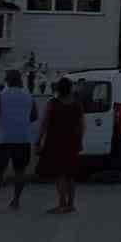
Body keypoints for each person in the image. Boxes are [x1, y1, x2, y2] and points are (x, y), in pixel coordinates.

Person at [0, 70, 37, 211]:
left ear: (7, 80)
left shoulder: (2, 95)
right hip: (23, 138)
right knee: (20, 171)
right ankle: (16, 202)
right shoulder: (28, 95)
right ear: (20, 80)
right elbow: (34, 115)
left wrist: (3, 125)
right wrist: (22, 124)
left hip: (4, 138)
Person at [36, 77, 86, 214]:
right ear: (70, 89)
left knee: (60, 174)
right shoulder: (77, 104)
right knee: (70, 174)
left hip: (56, 142)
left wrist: (38, 141)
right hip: (72, 142)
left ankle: (62, 204)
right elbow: (82, 125)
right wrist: (80, 141)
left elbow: (44, 123)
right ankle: (70, 204)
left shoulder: (53, 103)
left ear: (58, 89)